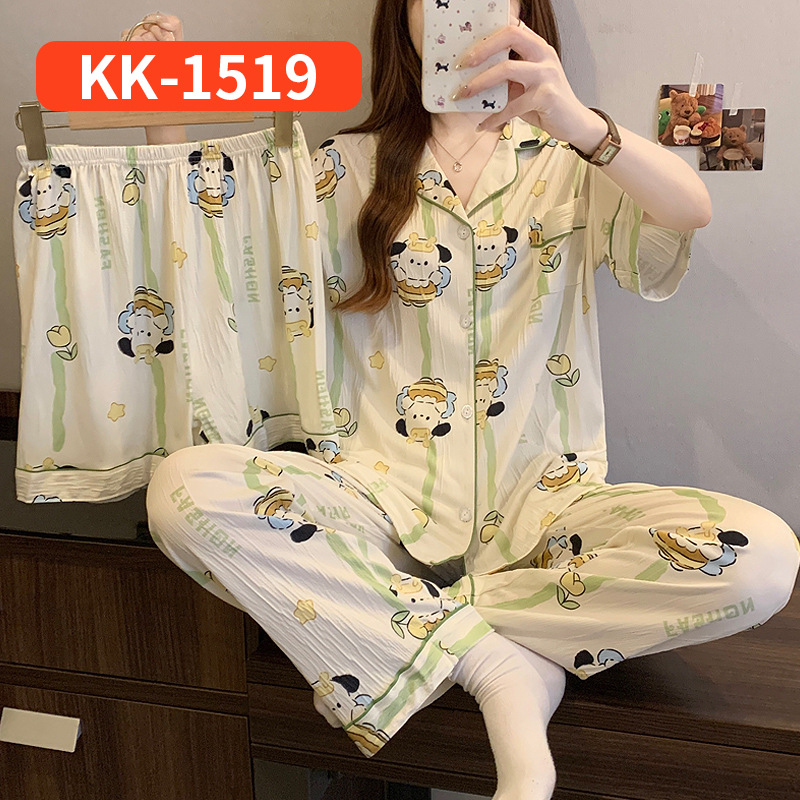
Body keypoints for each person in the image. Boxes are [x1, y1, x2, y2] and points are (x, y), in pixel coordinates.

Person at [136, 5, 800, 799]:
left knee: (763, 561)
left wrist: (577, 121)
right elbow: (221, 276)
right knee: (181, 491)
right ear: (403, 16)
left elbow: (689, 210)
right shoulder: (340, 168)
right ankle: (497, 661)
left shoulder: (570, 159)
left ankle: (431, 626)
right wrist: (165, 123)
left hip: (547, 514)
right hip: (376, 508)